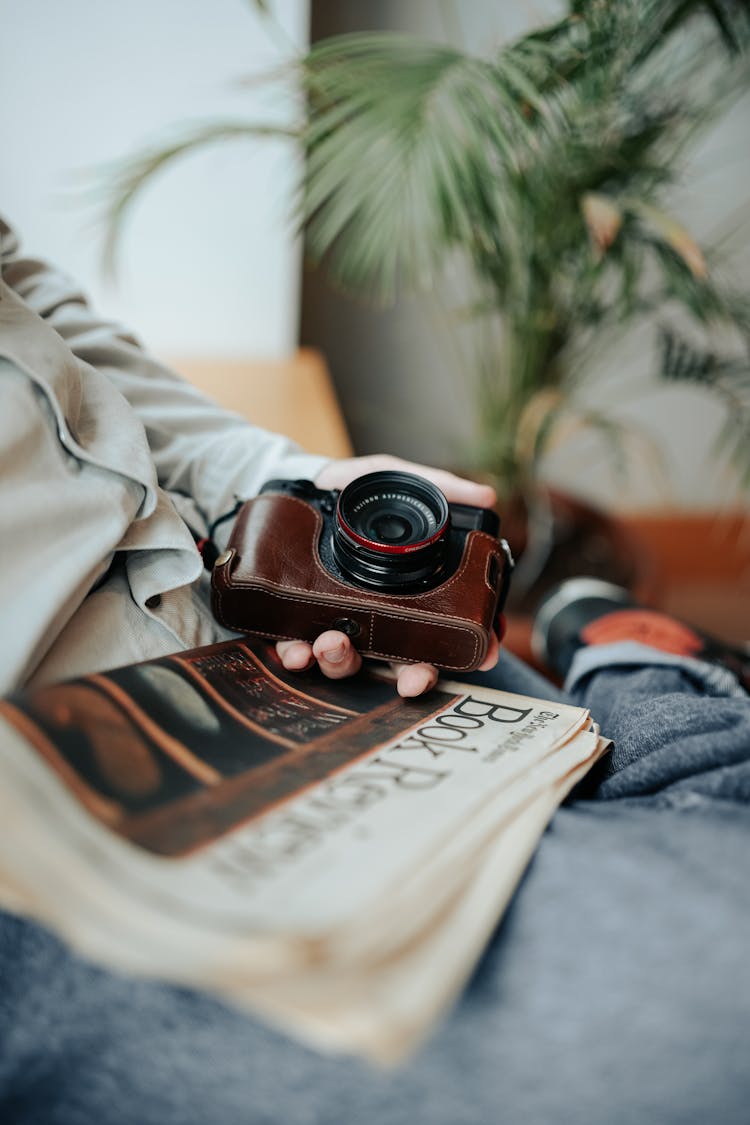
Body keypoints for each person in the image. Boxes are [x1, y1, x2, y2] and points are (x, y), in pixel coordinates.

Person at [0, 215, 748, 1124]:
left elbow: (27, 296)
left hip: (242, 592)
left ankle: (643, 671)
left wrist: (284, 480)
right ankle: (639, 661)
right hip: (55, 820)